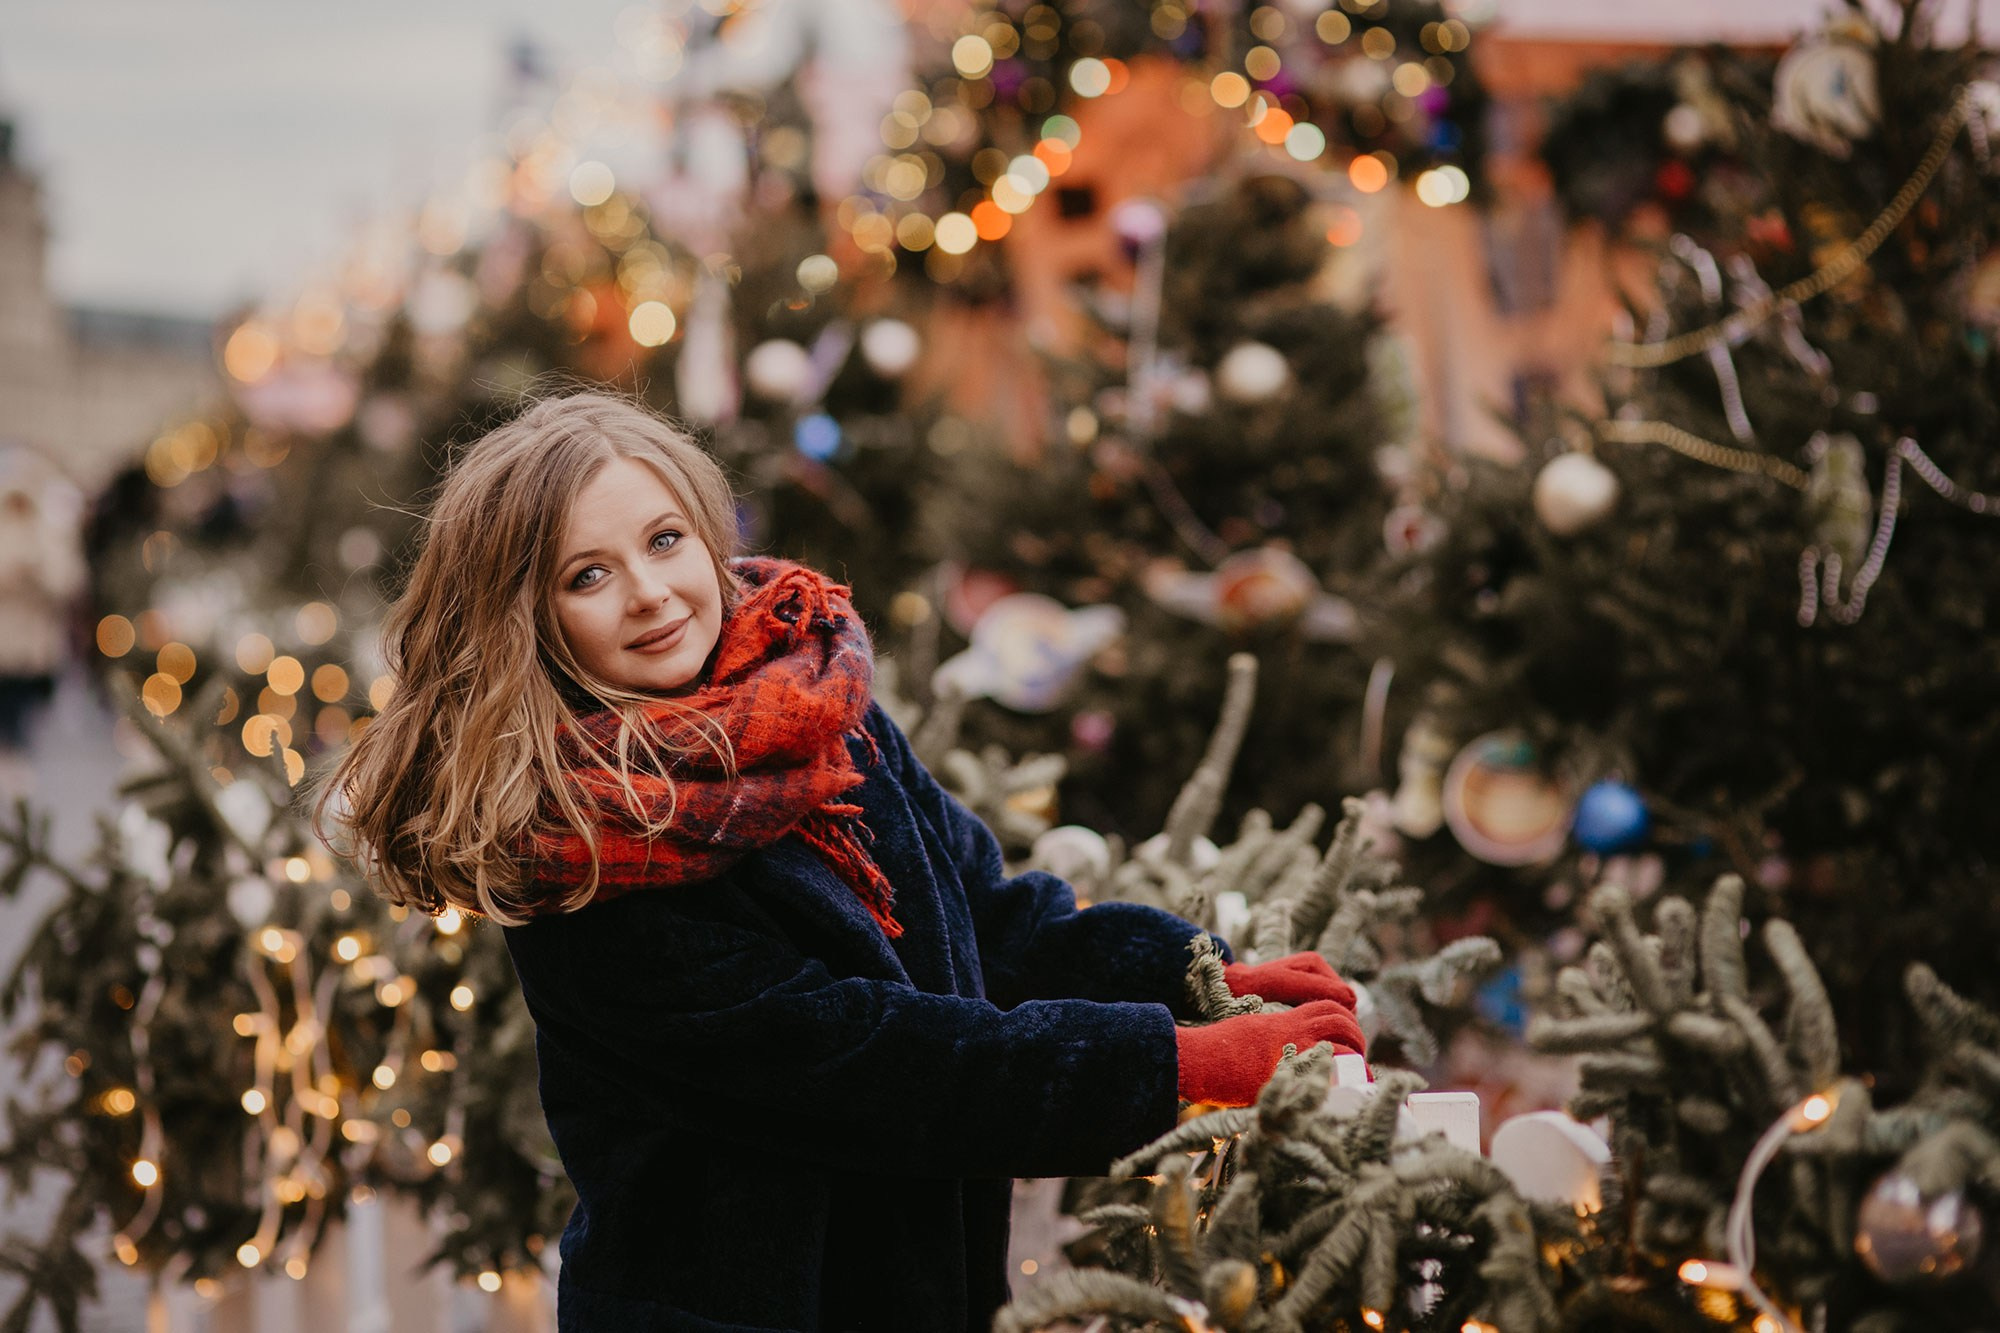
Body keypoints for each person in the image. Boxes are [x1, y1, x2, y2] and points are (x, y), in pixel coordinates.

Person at [319, 391, 1365, 1332]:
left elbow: (989, 920)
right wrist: (1175, 1067)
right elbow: (877, 1066)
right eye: (588, 575)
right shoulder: (581, 858)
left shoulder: (817, 715)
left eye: (665, 539)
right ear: (527, 621)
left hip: (922, 1285)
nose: (649, 592)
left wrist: (1195, 976)